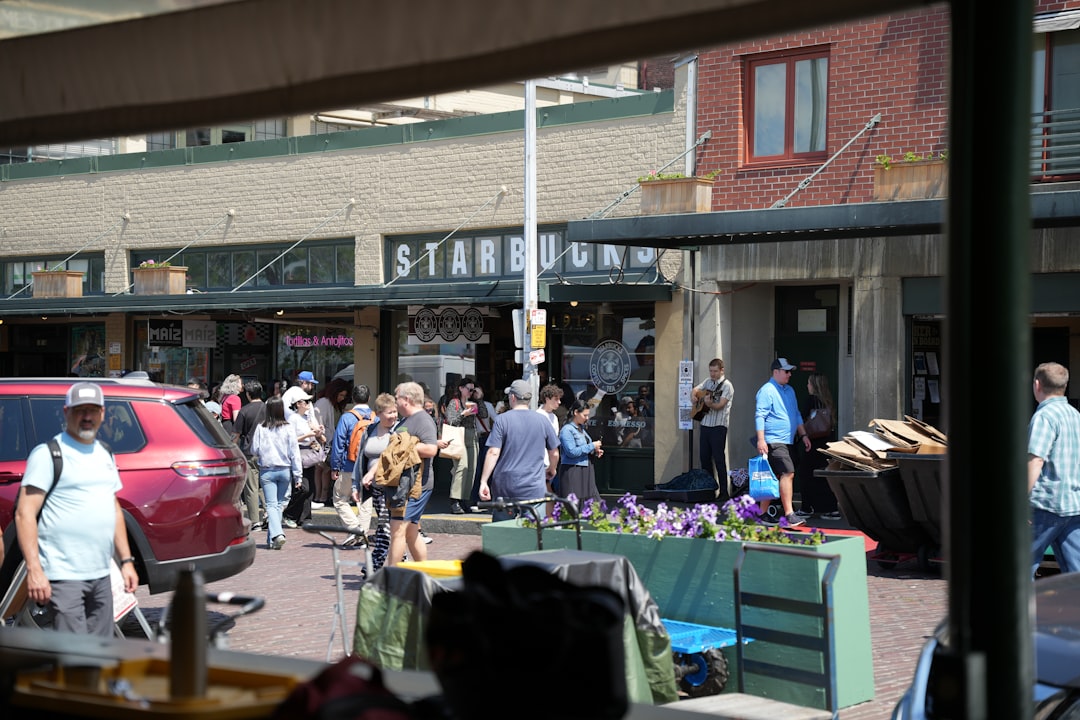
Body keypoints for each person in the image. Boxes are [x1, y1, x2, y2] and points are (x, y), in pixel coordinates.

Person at [14, 382, 139, 635]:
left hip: (102, 574)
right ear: (66, 412)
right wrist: (34, 570)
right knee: (74, 655)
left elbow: (112, 508)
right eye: (80, 410)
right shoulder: (49, 455)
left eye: (92, 410)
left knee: (101, 652)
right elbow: (24, 513)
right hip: (63, 575)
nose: (86, 417)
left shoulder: (105, 453)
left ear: (102, 414)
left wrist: (126, 561)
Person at [477, 379, 560, 522]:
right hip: (533, 486)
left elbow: (493, 452)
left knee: (502, 533)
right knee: (532, 532)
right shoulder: (542, 420)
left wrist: (483, 481)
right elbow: (554, 453)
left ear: (513, 397)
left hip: (506, 486)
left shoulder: (502, 420)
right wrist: (552, 469)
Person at [1028, 362, 1080, 575]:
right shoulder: (1074, 415)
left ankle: (1021, 609)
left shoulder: (1044, 417)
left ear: (1037, 385)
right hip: (1073, 505)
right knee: (1074, 571)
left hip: (1044, 505)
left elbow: (1035, 460)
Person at [387, 382, 445, 566]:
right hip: (402, 484)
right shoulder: (405, 421)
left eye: (397, 399)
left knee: (398, 530)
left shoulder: (423, 420)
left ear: (407, 399)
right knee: (411, 532)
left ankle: (391, 577)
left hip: (416, 485)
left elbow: (431, 449)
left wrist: (403, 445)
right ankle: (423, 572)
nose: (395, 403)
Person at [754, 357, 811, 527]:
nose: (789, 374)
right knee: (788, 473)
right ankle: (789, 515)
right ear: (776, 372)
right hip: (773, 441)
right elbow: (760, 415)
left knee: (774, 476)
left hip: (788, 441)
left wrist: (804, 435)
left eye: (790, 371)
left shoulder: (790, 390)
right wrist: (761, 440)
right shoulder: (767, 390)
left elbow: (796, 414)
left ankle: (762, 514)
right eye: (786, 371)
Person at [249, 396, 302, 550]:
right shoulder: (288, 428)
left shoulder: (261, 427)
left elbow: (254, 449)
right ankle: (273, 539)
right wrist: (298, 475)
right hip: (285, 470)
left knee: (271, 505)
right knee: (278, 505)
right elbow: (294, 453)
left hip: (267, 470)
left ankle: (277, 535)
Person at [353, 393, 399, 568]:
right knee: (388, 527)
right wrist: (356, 484)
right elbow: (360, 459)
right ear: (378, 413)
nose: (393, 416)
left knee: (386, 528)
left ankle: (373, 565)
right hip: (376, 487)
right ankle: (402, 563)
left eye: (395, 412)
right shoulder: (370, 430)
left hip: (393, 486)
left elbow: (390, 456)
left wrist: (372, 472)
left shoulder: (399, 430)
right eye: (389, 412)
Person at [329, 384, 373, 544]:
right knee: (366, 500)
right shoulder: (375, 418)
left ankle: (355, 529)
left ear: (353, 399)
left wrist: (335, 466)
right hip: (370, 467)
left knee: (340, 498)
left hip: (350, 465)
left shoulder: (347, 417)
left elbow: (339, 444)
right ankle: (362, 533)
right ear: (369, 398)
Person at [796, 373, 841, 520]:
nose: (807, 386)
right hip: (826, 443)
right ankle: (831, 507)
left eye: (809, 383)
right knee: (825, 476)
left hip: (813, 443)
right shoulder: (827, 400)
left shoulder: (811, 400)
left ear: (814, 385)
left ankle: (807, 507)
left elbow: (801, 418)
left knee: (805, 474)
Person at [444, 377, 488, 514]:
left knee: (472, 470)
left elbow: (484, 414)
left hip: (472, 435)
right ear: (461, 388)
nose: (470, 392)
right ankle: (455, 500)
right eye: (469, 389)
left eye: (472, 390)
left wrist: (479, 399)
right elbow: (451, 421)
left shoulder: (473, 402)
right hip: (459, 436)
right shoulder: (454, 403)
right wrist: (464, 414)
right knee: (462, 467)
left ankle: (465, 499)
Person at [281, 386, 321, 528]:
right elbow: (291, 439)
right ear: (298, 404)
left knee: (310, 488)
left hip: (309, 453)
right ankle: (290, 513)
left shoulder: (306, 418)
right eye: (306, 402)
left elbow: (316, 436)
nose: (309, 404)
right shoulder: (293, 419)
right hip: (298, 454)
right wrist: (308, 436)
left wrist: (316, 435)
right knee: (302, 486)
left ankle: (304, 517)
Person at [694, 358, 734, 499]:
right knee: (704, 458)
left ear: (722, 370)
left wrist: (710, 404)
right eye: (711, 371)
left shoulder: (727, 386)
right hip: (705, 424)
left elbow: (720, 405)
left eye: (715, 371)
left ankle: (724, 492)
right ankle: (709, 490)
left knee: (719, 459)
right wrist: (695, 397)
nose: (712, 374)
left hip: (719, 426)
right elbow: (695, 389)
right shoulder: (707, 382)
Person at [231, 380, 267, 529]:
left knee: (251, 487)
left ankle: (255, 521)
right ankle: (269, 514)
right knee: (266, 485)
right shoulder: (269, 409)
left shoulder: (244, 411)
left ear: (248, 394)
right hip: (268, 452)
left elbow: (236, 435)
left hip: (249, 451)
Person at [313, 378, 351, 507]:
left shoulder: (328, 403)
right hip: (324, 441)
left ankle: (319, 496)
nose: (342, 398)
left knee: (321, 469)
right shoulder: (324, 403)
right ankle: (321, 496)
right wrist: (321, 438)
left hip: (325, 441)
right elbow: (318, 423)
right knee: (324, 469)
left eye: (344, 396)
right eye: (340, 395)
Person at [559, 399, 603, 501]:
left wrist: (595, 451)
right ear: (575, 413)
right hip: (573, 469)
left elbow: (584, 448)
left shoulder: (582, 429)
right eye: (584, 415)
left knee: (591, 502)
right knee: (574, 503)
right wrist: (592, 446)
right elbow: (571, 452)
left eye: (588, 415)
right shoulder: (567, 430)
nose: (587, 418)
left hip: (586, 468)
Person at [537, 383, 564, 513]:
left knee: (548, 494)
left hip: (550, 462)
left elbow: (554, 442)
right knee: (547, 494)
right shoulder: (537, 415)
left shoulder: (554, 417)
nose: (559, 402)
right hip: (541, 461)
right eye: (556, 399)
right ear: (547, 399)